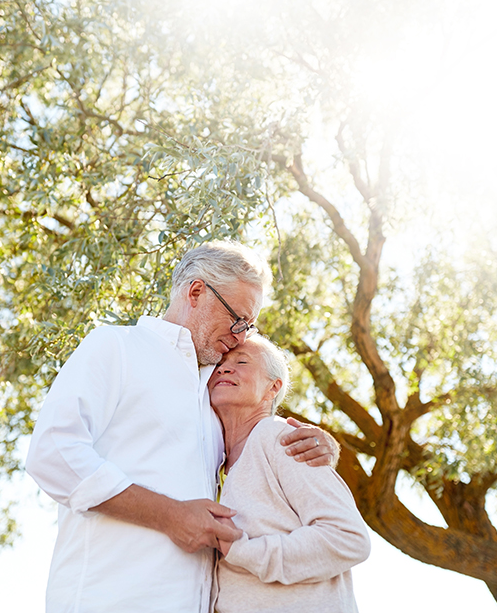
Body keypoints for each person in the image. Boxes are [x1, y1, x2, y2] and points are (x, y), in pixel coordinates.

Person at [25, 241, 337, 613]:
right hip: (107, 598)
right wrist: (171, 516)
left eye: (249, 326)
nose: (241, 335)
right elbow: (53, 454)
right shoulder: (116, 347)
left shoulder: (215, 395)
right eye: (238, 319)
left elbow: (255, 451)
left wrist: (323, 446)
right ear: (196, 291)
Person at [210, 334, 370, 613]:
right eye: (219, 363)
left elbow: (348, 537)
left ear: (273, 388)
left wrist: (242, 551)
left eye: (242, 361)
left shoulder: (280, 439)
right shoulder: (215, 467)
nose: (224, 368)